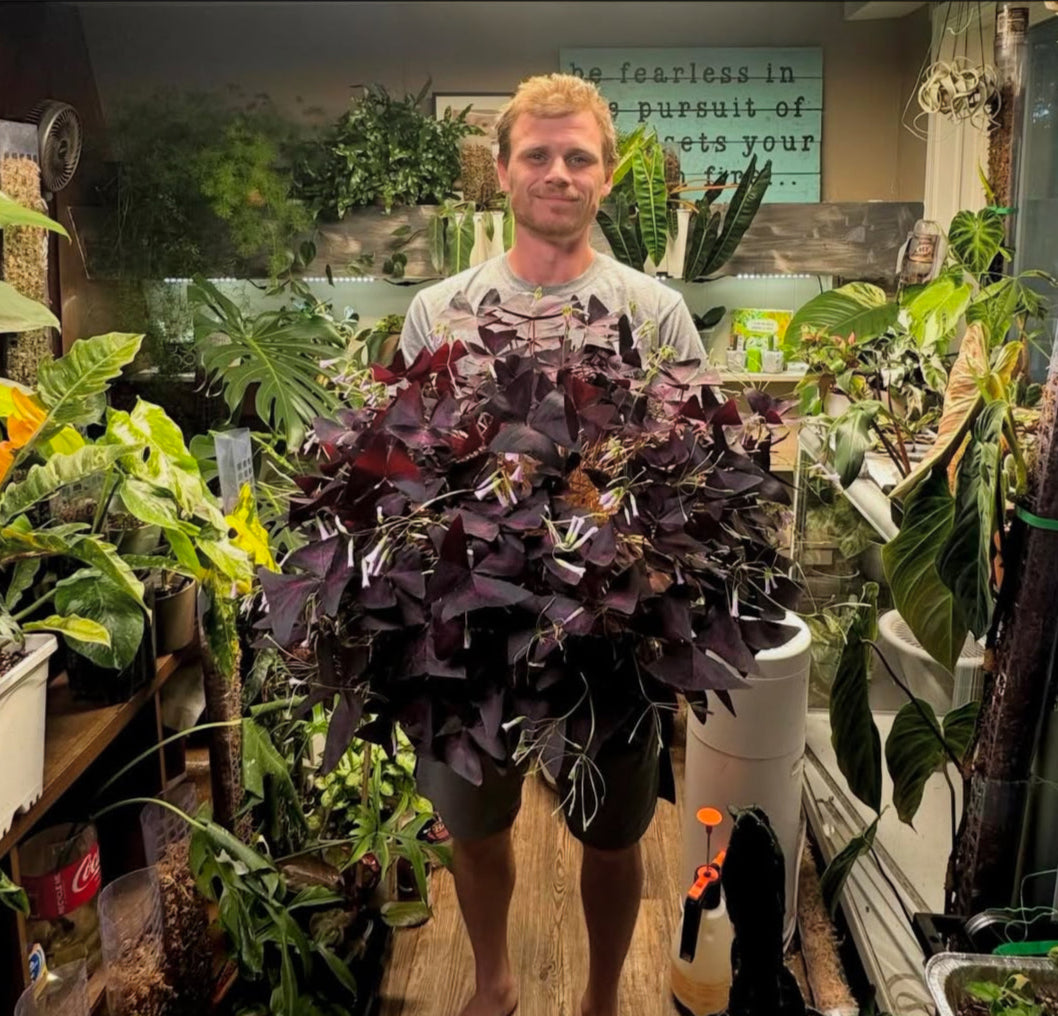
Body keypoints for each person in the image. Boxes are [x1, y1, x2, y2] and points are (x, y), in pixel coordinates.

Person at [399, 73, 702, 1016]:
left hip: (606, 637)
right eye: (538, 155)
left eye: (579, 158)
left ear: (608, 178)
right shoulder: (436, 314)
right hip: (471, 640)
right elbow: (406, 465)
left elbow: (692, 476)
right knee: (476, 827)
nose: (558, 173)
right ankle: (492, 981)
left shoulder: (654, 314)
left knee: (613, 838)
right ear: (501, 172)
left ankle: (602, 998)